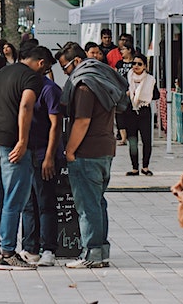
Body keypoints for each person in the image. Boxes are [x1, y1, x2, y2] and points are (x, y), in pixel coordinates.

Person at [0, 45, 53, 271]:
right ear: (41, 63)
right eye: (47, 68)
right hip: (10, 143)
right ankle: (8, 253)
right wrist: (22, 141)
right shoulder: (32, 78)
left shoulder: (4, 72)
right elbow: (26, 105)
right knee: (14, 198)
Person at [58, 43, 129, 269]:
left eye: (65, 68)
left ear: (76, 62)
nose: (66, 74)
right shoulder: (103, 80)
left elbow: (82, 121)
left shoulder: (84, 86)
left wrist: (69, 150)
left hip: (87, 152)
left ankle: (91, 253)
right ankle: (101, 252)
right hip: (105, 149)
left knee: (88, 206)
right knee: (98, 203)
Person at [19, 47, 63, 267]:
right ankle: (29, 247)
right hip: (25, 154)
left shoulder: (50, 90)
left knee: (45, 202)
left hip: (43, 153)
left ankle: (48, 249)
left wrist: (49, 157)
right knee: (28, 204)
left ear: (41, 64)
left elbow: (56, 125)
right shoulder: (24, 88)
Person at [126, 53, 156, 176]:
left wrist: (145, 94)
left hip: (144, 110)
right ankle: (134, 167)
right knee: (132, 141)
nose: (136, 66)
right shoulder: (127, 77)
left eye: (139, 64)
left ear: (144, 66)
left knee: (146, 141)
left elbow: (157, 94)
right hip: (130, 111)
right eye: (134, 63)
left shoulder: (150, 79)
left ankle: (145, 166)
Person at [114, 43, 136, 147]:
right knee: (120, 114)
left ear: (129, 50)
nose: (121, 52)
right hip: (120, 92)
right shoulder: (119, 64)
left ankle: (131, 135)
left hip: (133, 92)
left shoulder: (135, 63)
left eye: (123, 49)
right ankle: (123, 138)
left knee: (130, 114)